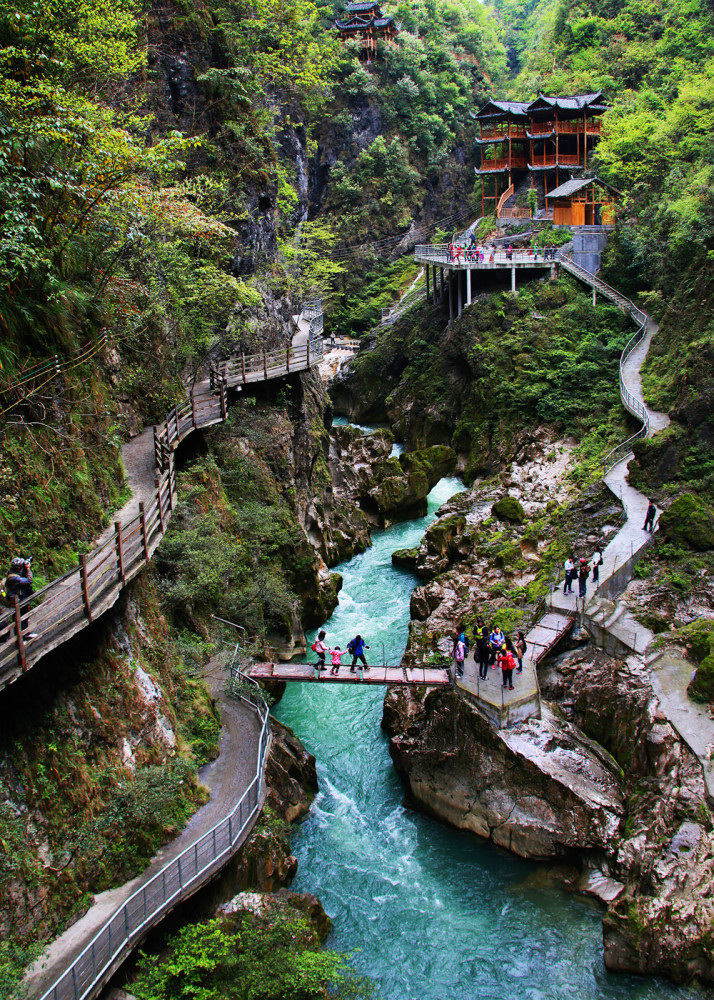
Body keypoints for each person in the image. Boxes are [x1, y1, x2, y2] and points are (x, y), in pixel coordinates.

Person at [2, 557, 37, 641]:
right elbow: (29, 580)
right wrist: (28, 569)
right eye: (21, 566)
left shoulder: (13, 571)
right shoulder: (14, 578)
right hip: (17, 600)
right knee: (20, 618)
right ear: (18, 567)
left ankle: (26, 633)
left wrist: (25, 568)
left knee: (24, 617)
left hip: (21, 597)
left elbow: (22, 574)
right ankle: (22, 638)